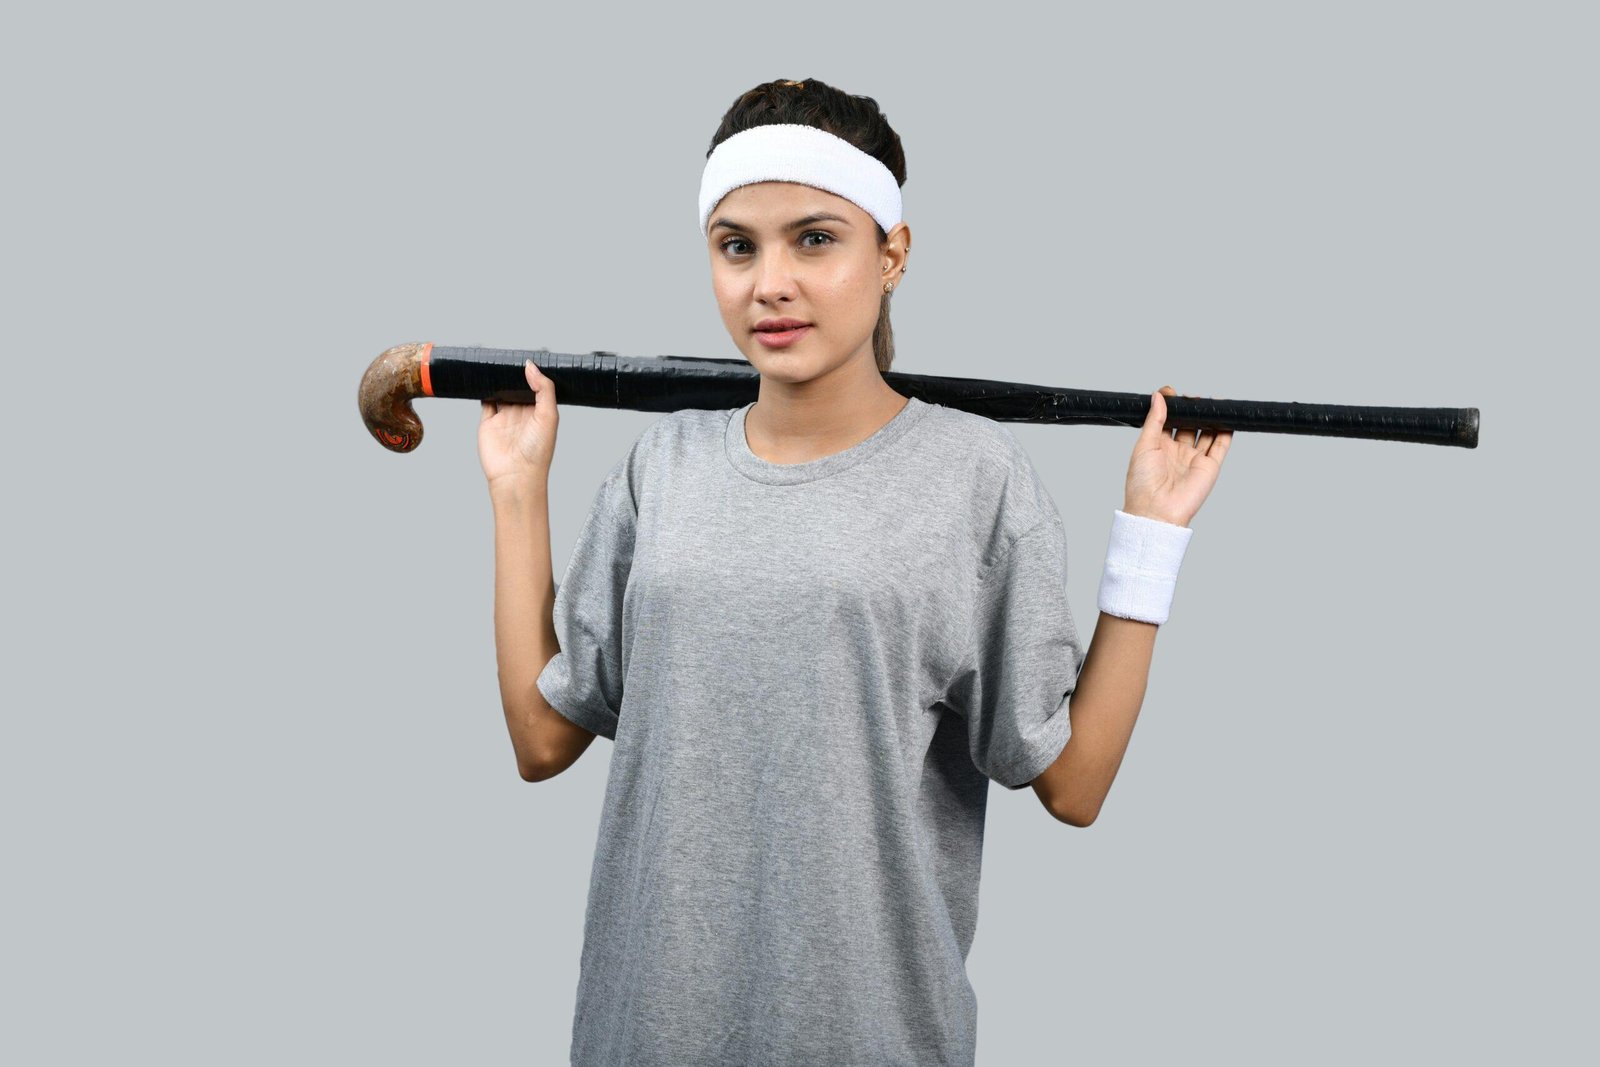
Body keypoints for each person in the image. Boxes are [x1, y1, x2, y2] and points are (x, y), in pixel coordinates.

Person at [478, 78, 1231, 1067]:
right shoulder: (657, 469)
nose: (770, 283)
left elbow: (1073, 781)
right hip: (647, 1033)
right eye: (736, 245)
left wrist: (1150, 534)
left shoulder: (976, 477)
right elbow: (542, 739)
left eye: (814, 239)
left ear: (892, 254)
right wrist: (518, 489)